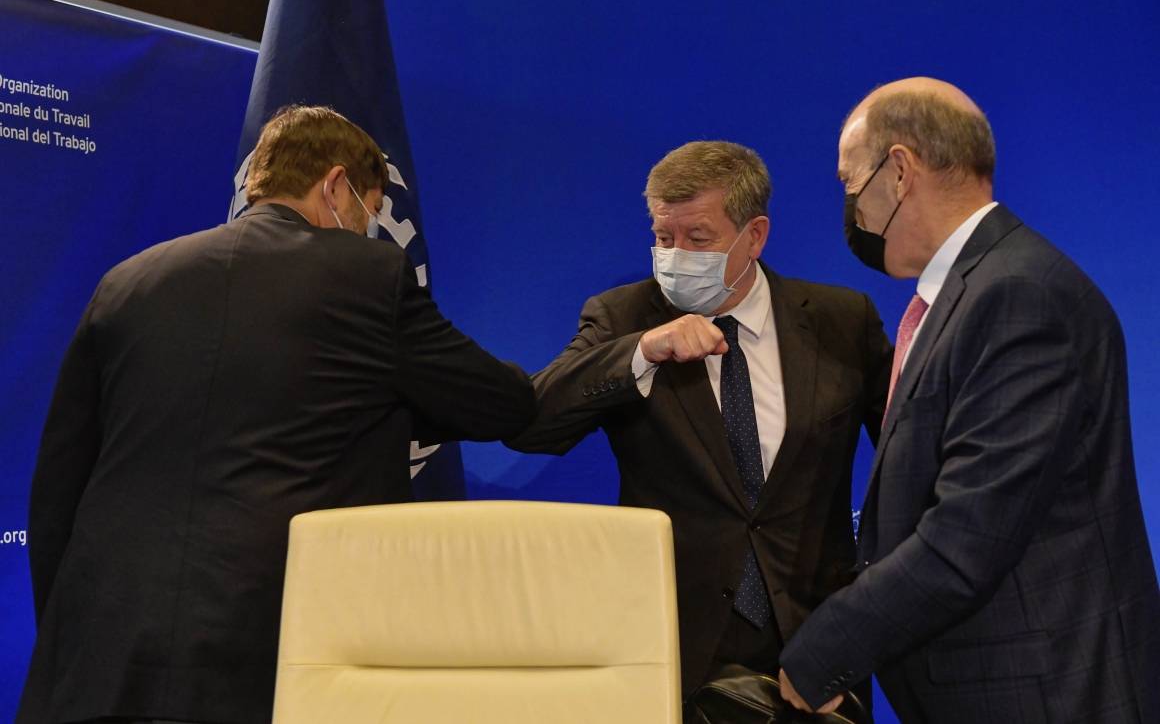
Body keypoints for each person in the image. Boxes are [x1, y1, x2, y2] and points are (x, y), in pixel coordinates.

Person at [19, 105, 535, 724]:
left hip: (98, 659)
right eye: (371, 211)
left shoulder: (128, 282)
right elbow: (499, 402)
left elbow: (59, 486)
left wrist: (69, 637)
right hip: (266, 663)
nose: (368, 229)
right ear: (336, 186)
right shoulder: (366, 277)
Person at [778, 77, 1160, 723]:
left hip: (1043, 697)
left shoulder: (1018, 296)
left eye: (850, 182)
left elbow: (968, 536)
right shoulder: (979, 288)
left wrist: (826, 649)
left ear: (900, 171)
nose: (852, 209)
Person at [507, 141, 893, 711]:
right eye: (663, 237)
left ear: (755, 236)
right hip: (674, 649)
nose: (675, 255)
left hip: (820, 645)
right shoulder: (623, 318)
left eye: (698, 238)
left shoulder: (842, 320)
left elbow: (908, 460)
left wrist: (868, 613)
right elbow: (530, 423)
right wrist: (641, 352)